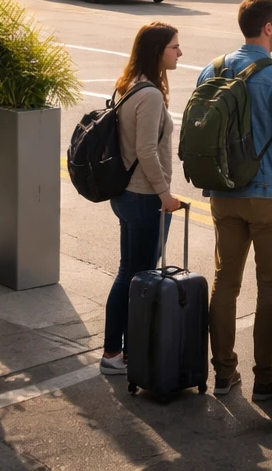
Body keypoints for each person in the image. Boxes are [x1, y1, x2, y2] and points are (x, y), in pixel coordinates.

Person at [198, 0, 272, 400]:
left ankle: (224, 374)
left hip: (223, 194)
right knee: (271, 289)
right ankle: (265, 377)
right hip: (268, 195)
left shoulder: (209, 70)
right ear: (266, 28)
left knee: (224, 283)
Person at [101, 23, 183, 376]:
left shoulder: (127, 84)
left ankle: (119, 350)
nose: (180, 53)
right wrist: (164, 194)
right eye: (174, 47)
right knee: (136, 276)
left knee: (128, 272)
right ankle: (115, 353)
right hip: (143, 196)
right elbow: (147, 150)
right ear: (157, 52)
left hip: (127, 193)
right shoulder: (149, 94)